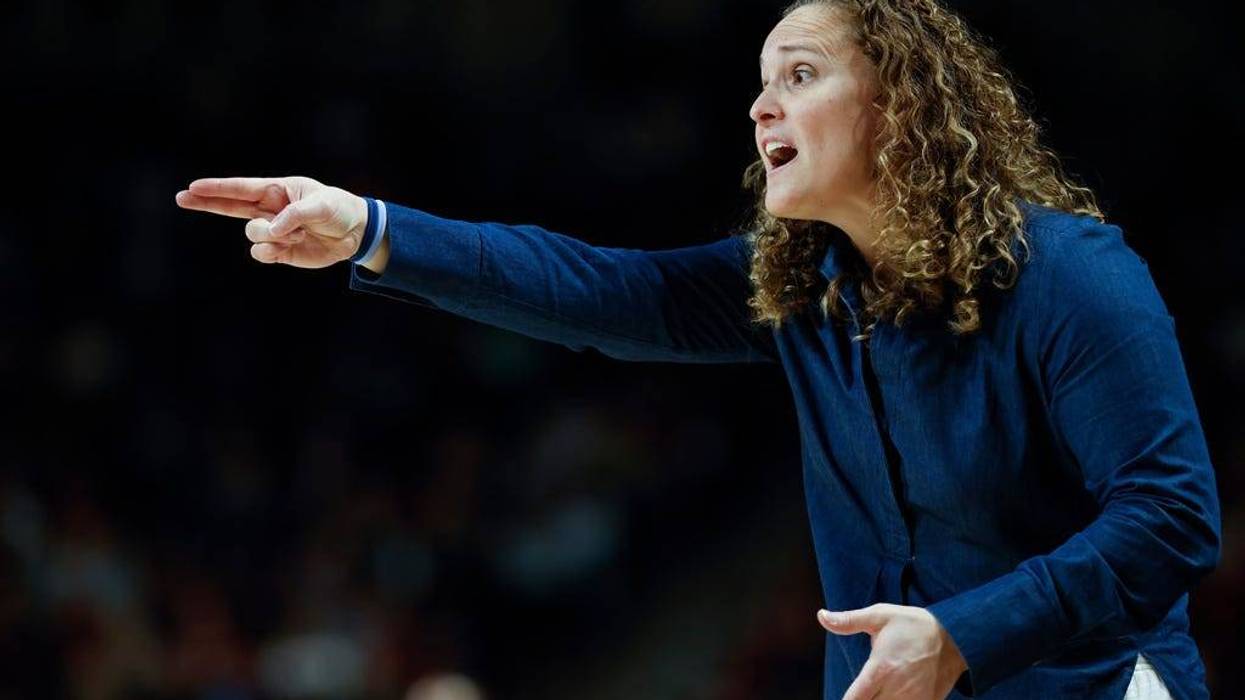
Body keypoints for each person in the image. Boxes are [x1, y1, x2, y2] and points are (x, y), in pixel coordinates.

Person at [175, 1, 1221, 698]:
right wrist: (370, 227)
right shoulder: (800, 290)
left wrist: (961, 636)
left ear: (901, 104)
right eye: (761, 82)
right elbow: (598, 287)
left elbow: (1171, 516)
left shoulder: (1070, 274)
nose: (761, 105)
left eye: (800, 74)